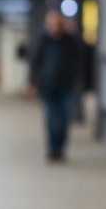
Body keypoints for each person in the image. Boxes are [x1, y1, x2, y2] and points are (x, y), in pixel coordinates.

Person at [28, 9, 80, 161]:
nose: (54, 26)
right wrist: (33, 83)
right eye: (51, 23)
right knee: (51, 117)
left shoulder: (70, 40)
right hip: (47, 85)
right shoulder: (42, 39)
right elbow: (35, 62)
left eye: (57, 23)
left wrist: (77, 80)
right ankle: (52, 148)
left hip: (66, 85)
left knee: (64, 118)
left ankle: (60, 148)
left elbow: (78, 62)